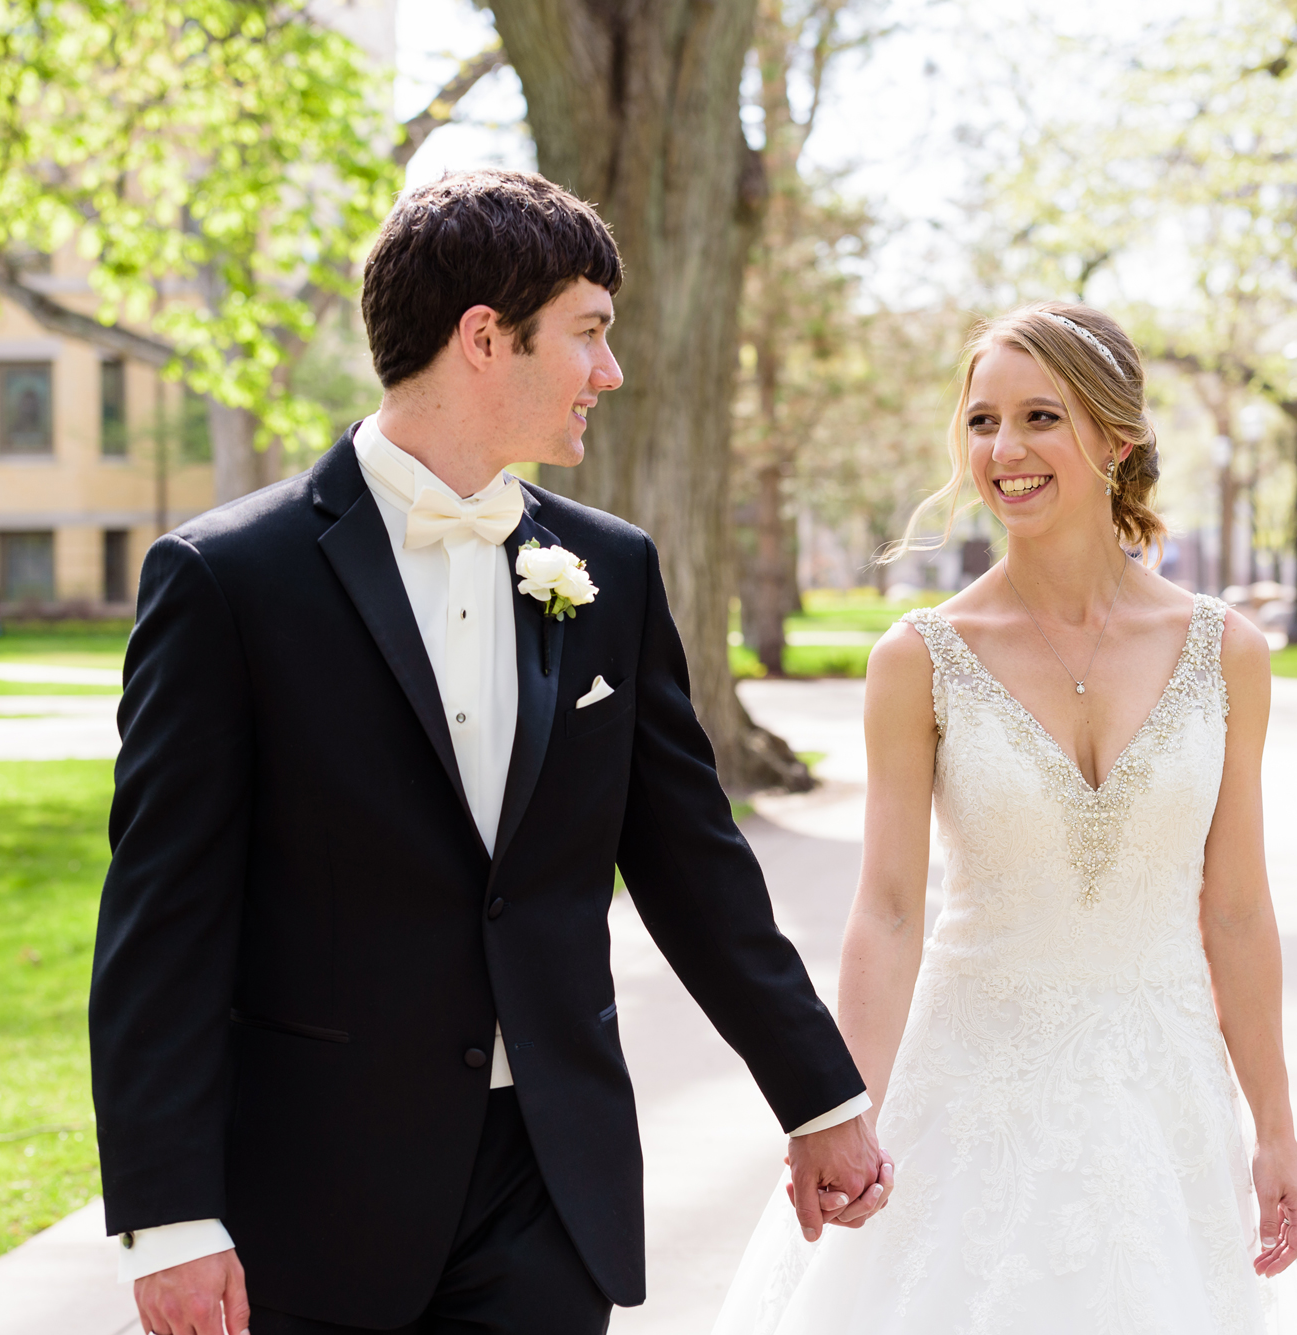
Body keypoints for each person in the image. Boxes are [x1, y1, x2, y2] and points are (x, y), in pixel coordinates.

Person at [89, 169, 890, 1335]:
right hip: (314, 1196)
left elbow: (693, 864)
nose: (608, 374)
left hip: (549, 1186)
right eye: (587, 335)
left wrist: (818, 1097)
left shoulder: (611, 573)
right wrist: (167, 1218)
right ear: (483, 338)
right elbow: (162, 922)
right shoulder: (227, 580)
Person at [715, 303, 1297, 1333]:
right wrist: (842, 1112)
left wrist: (1274, 1130)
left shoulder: (1227, 655)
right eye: (982, 421)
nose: (1004, 450)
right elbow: (889, 913)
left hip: (1163, 1106)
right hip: (964, 1098)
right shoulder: (917, 658)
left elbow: (1235, 913)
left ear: (1113, 437)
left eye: (1040, 416)